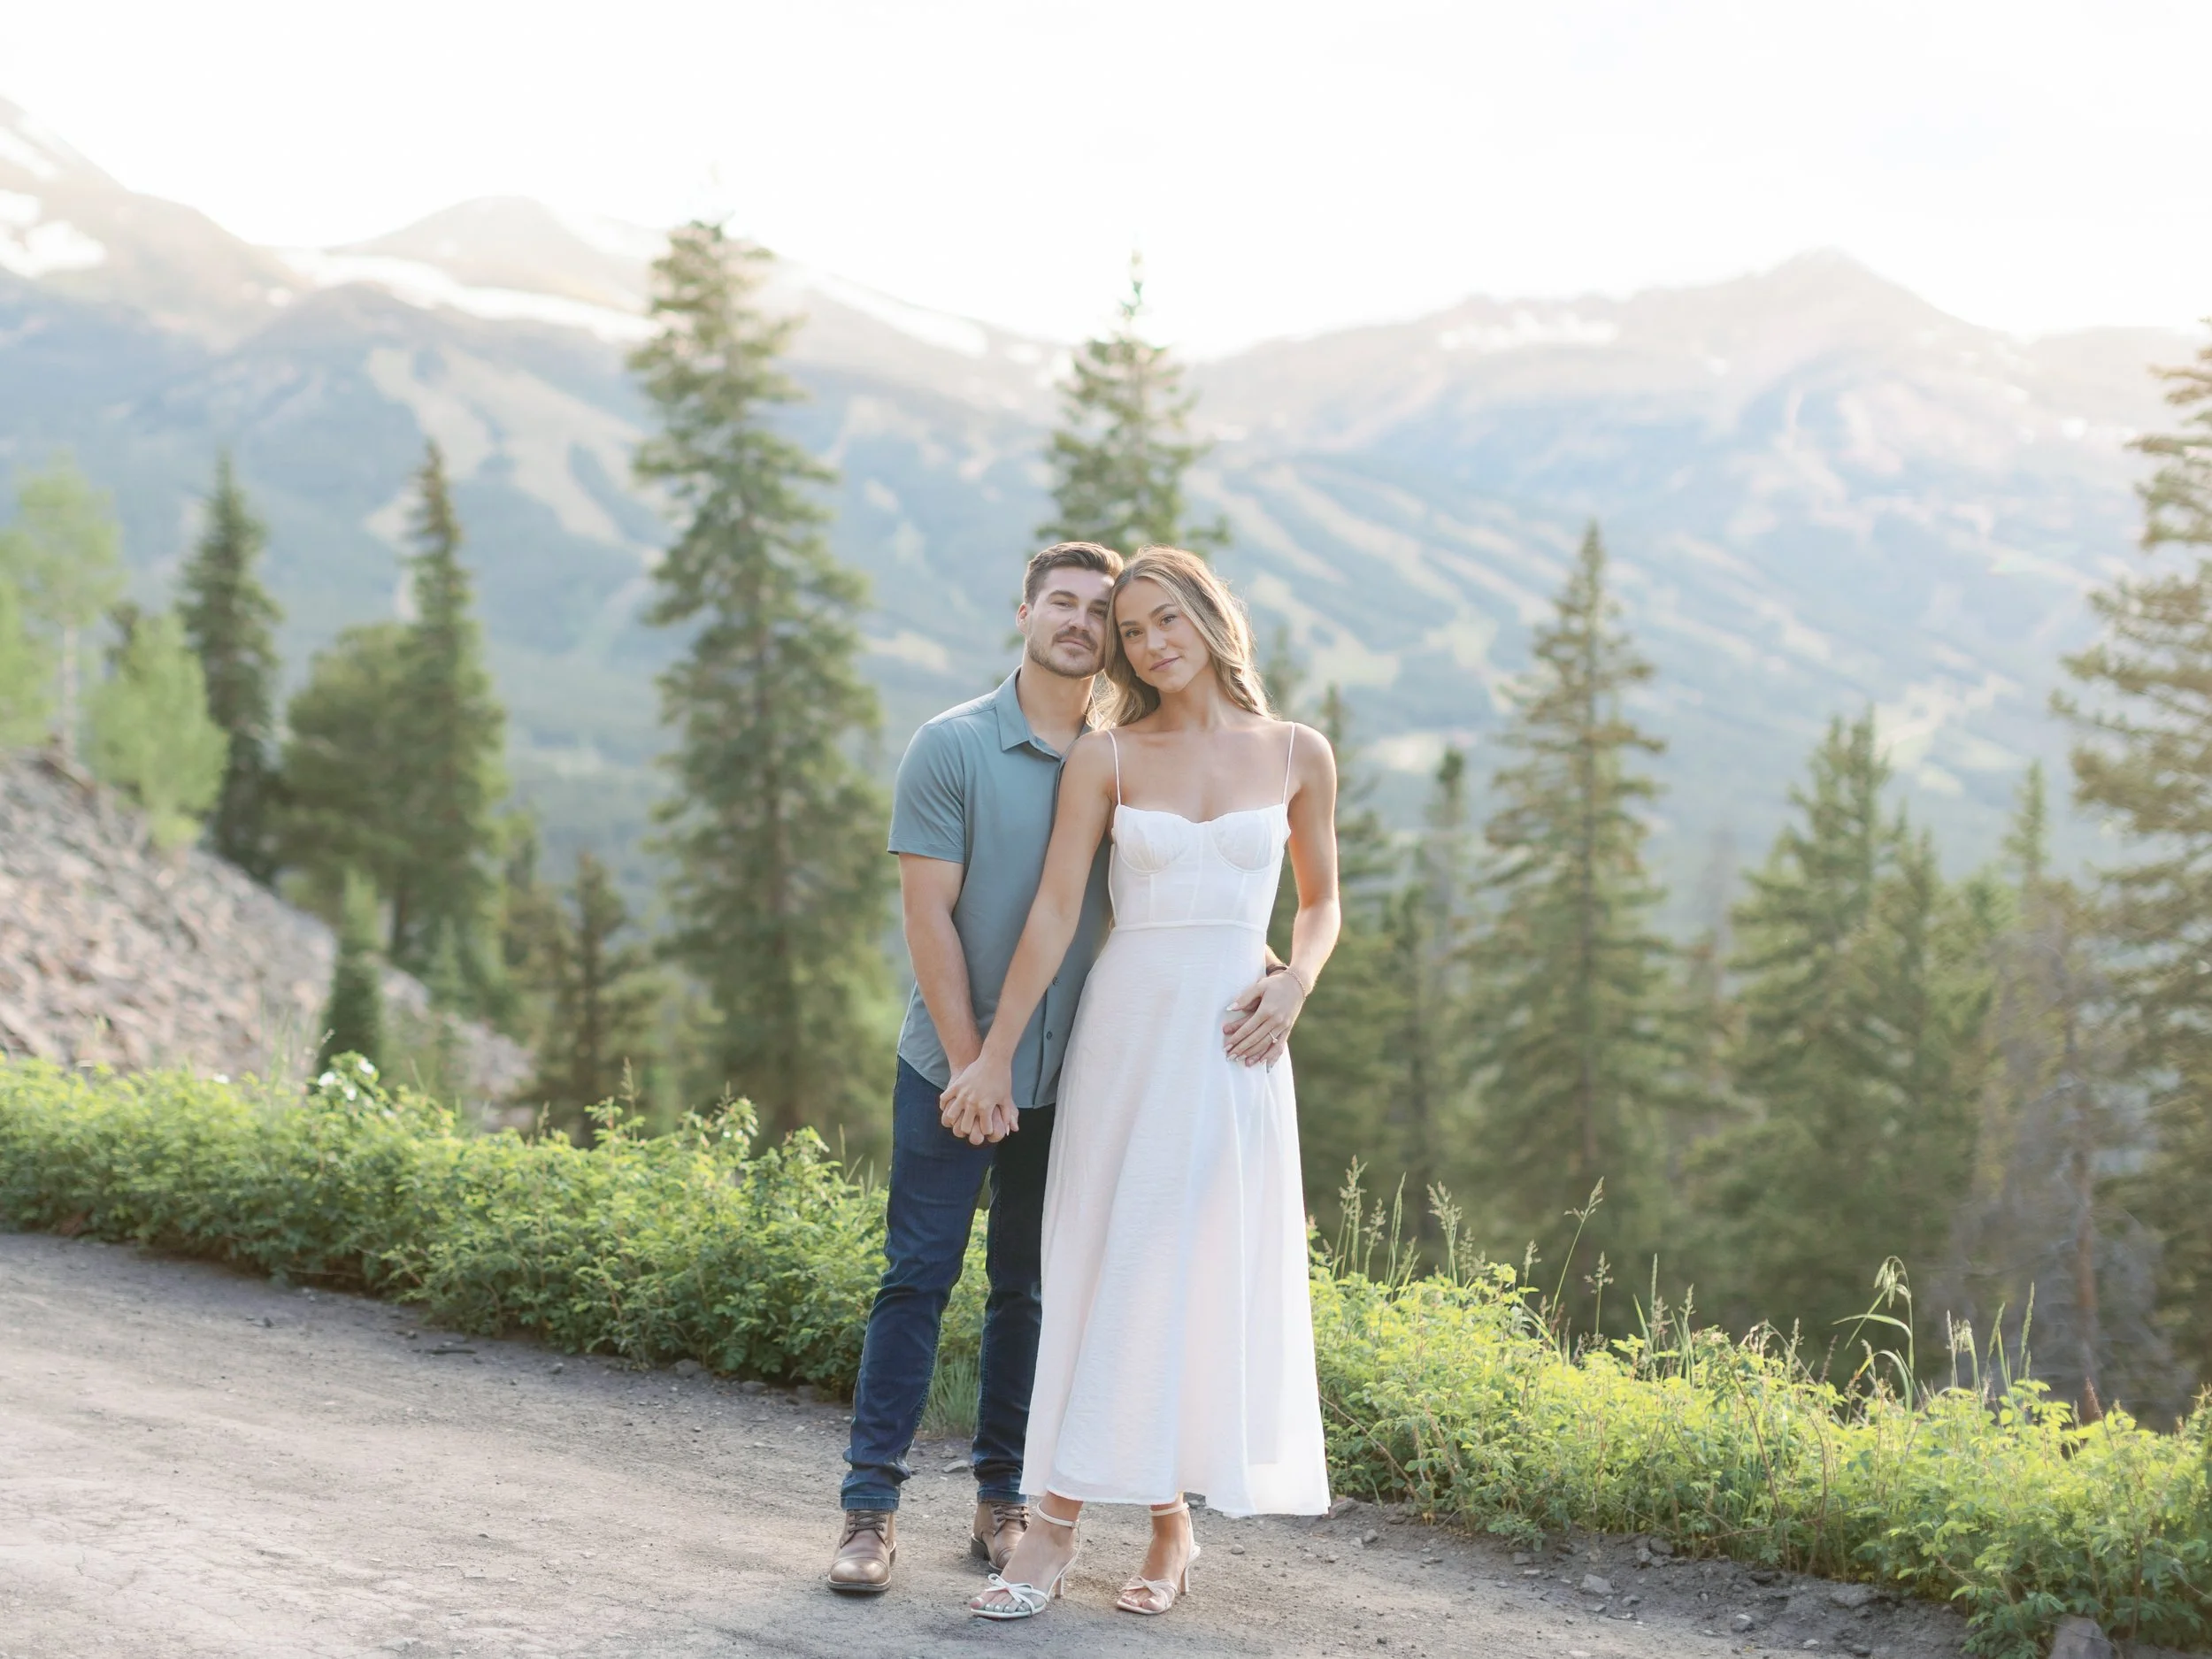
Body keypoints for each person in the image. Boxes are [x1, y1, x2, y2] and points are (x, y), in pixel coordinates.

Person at [940, 544, 1340, 1621]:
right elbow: (1058, 912)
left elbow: (1319, 903)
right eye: (1132, 633)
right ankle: (1058, 1529)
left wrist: (1295, 984)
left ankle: (1170, 1527)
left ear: (1212, 619)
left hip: (1235, 1041)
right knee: (1115, 1259)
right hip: (1129, 1029)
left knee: (1191, 1264)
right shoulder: (1106, 759)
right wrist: (993, 1051)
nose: (1152, 645)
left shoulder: (1299, 751)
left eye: (1168, 621)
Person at [826, 541, 1124, 1594]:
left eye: (1099, 610)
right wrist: (970, 1065)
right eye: (1062, 603)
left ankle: (1002, 1504)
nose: (1078, 622)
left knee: (1028, 1291)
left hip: (1073, 1071)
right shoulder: (950, 746)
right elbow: (929, 919)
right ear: (1024, 612)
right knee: (916, 1277)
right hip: (952, 1066)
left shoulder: (1126, 756)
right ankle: (869, 1513)